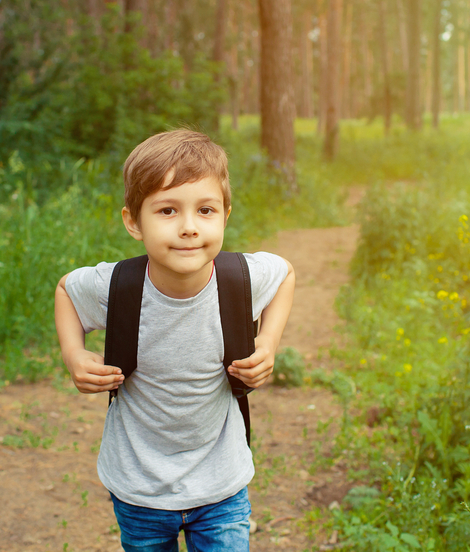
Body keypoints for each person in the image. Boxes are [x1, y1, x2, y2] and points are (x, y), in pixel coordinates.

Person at [55, 128, 296, 552]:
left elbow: (285, 275)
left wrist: (268, 343)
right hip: (138, 488)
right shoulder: (117, 287)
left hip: (221, 486)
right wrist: (73, 354)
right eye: (167, 210)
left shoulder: (241, 279)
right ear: (133, 221)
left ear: (225, 216)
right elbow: (66, 291)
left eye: (205, 210)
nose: (189, 228)